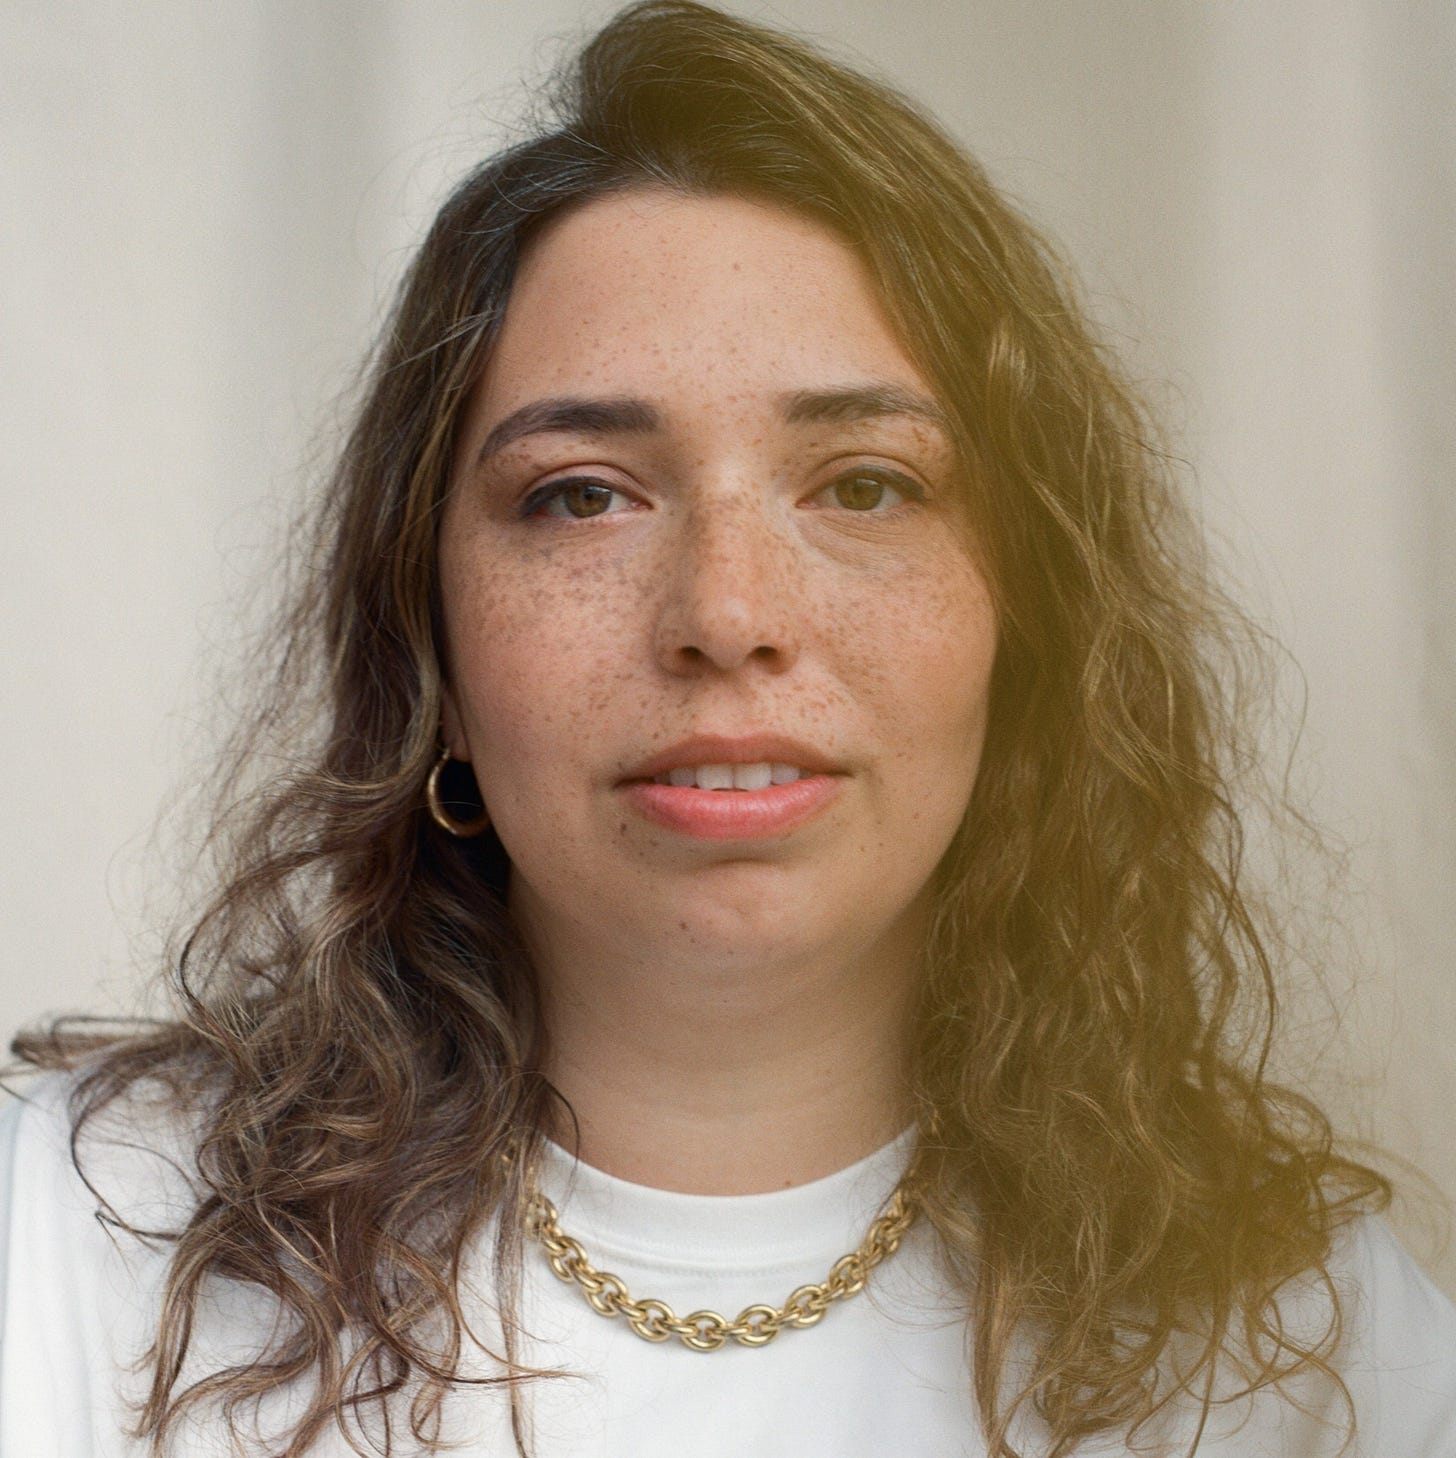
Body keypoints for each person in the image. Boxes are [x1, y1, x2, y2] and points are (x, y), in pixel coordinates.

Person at [2, 3, 1454, 1455]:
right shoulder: (75, 1240)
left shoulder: (1316, 1344)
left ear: (1032, 628)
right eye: (582, 493)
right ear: (427, 639)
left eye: (866, 486)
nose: (727, 611)